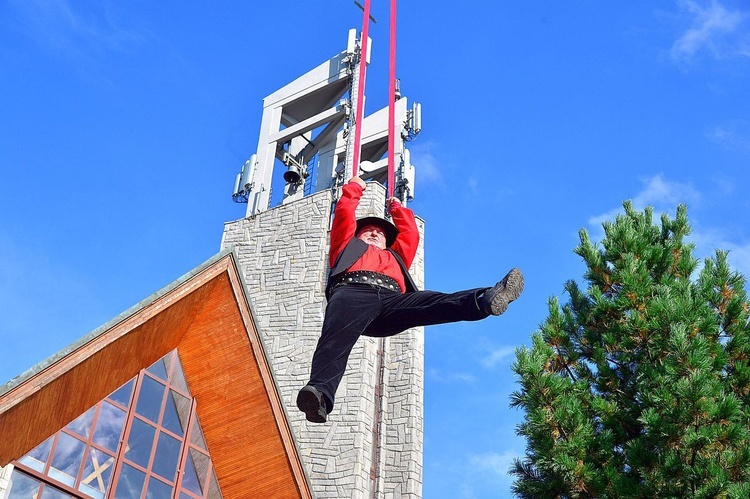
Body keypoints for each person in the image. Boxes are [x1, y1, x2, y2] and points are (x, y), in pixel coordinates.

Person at [296, 176, 524, 423]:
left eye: (380, 233)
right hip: (353, 293)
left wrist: (396, 208)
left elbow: (410, 233)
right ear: (355, 236)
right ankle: (318, 396)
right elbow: (344, 211)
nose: (374, 233)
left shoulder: (396, 257)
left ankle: (485, 299)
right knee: (335, 341)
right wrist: (354, 188)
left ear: (387, 241)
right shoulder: (345, 247)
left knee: (432, 302)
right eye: (368, 231)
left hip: (391, 300)